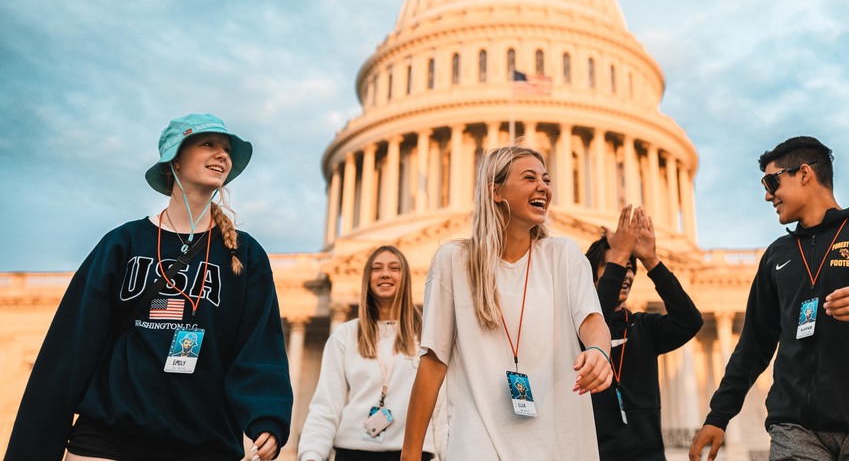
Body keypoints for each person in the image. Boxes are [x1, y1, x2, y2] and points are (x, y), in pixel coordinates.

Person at [5, 113, 293, 461]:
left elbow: (259, 346)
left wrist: (267, 417)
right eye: (208, 144)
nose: (222, 155)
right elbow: (71, 349)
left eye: (228, 150)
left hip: (202, 444)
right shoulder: (122, 244)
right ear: (174, 159)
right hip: (109, 440)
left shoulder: (245, 255)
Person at [688, 136, 849, 461]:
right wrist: (718, 416)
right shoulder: (776, 256)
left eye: (772, 181)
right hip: (794, 429)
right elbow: (753, 346)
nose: (767, 195)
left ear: (804, 173)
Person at [401, 145, 613, 460]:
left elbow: (592, 321)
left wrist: (598, 352)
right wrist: (410, 452)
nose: (544, 186)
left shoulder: (564, 256)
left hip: (557, 443)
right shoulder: (453, 262)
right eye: (530, 178)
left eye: (547, 179)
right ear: (495, 191)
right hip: (479, 442)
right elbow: (433, 359)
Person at [298, 245, 447, 461]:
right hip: (353, 454)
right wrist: (311, 455)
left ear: (407, 277)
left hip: (412, 455)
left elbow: (442, 410)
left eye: (394, 268)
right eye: (377, 268)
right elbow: (326, 407)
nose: (385, 273)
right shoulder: (344, 336)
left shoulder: (428, 335)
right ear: (367, 278)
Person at [585, 204, 703, 460]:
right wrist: (619, 253)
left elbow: (690, 321)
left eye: (630, 267)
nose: (625, 274)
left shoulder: (645, 327)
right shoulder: (578, 329)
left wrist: (651, 260)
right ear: (592, 276)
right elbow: (596, 321)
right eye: (614, 266)